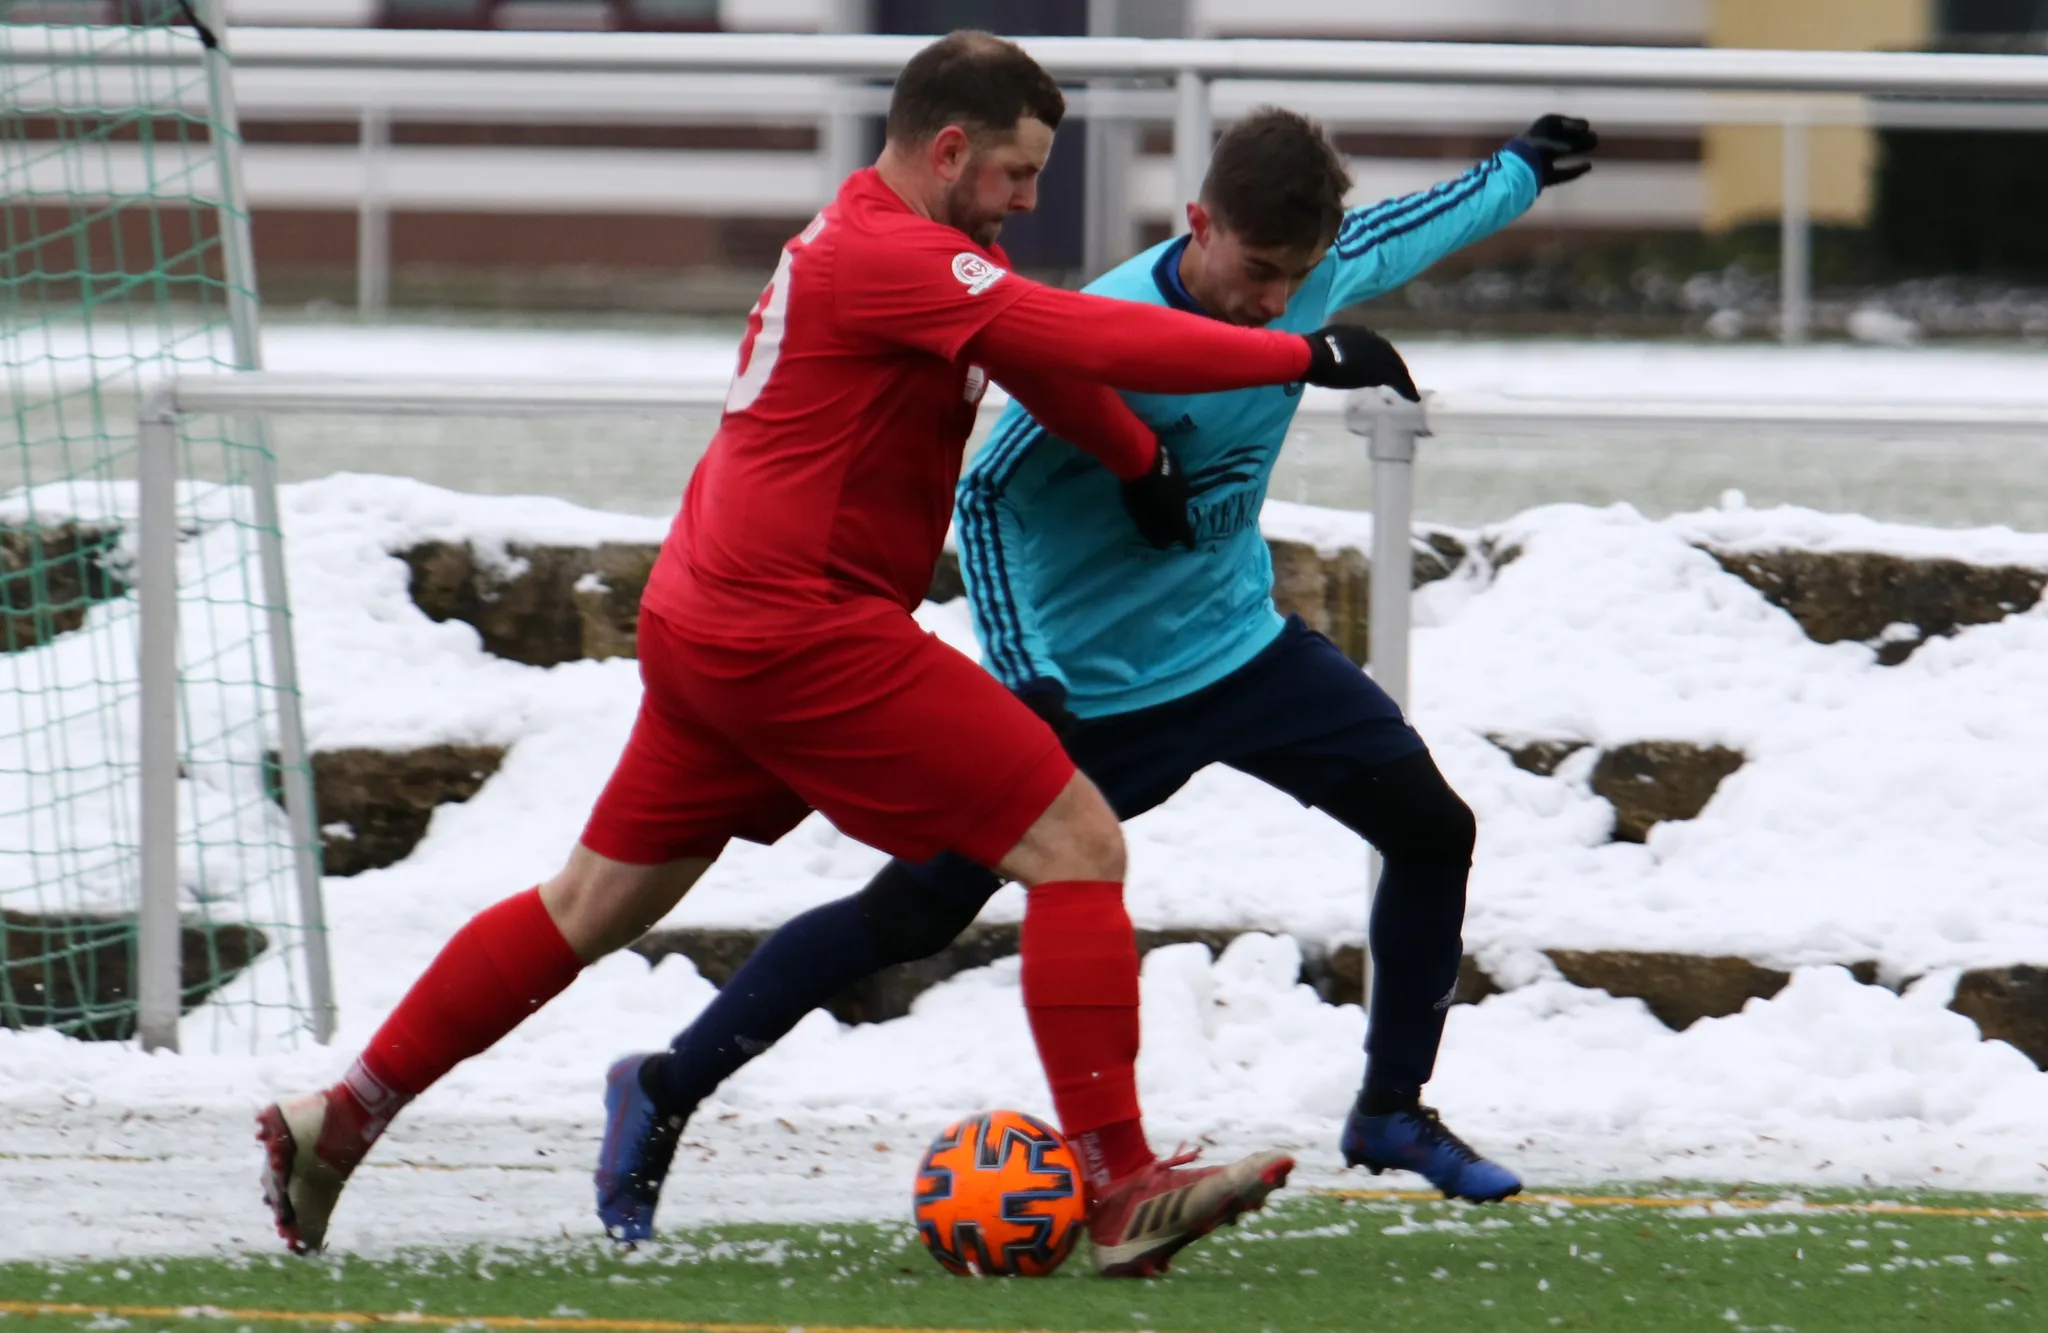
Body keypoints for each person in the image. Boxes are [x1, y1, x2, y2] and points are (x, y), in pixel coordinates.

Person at [256, 32, 1418, 1270]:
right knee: (1075, 843)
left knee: (586, 904)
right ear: (950, 150)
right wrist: (1302, 352)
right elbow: (1082, 340)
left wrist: (1139, 461)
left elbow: (1034, 357)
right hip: (795, 625)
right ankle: (1120, 1183)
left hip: (711, 614)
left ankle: (345, 1114)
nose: (1031, 199)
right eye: (1019, 172)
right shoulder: (892, 252)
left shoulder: (893, 242)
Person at [601, 105, 1601, 1244]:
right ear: (1199, 224)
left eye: (1297, 278)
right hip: (1093, 692)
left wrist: (1521, 168)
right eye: (1257, 273)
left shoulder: (1309, 273)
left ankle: (1389, 1112)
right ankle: (664, 1086)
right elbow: (986, 495)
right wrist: (1027, 671)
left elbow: (1421, 224)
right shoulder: (1107, 328)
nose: (1276, 303)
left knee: (1431, 828)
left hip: (1241, 649)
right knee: (908, 916)